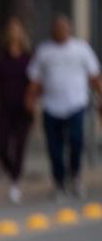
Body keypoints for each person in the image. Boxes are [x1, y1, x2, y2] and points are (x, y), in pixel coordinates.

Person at [25, 15, 102, 199]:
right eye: (57, 28)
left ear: (70, 30)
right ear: (52, 31)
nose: (61, 31)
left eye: (64, 28)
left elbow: (94, 76)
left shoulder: (81, 49)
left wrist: (100, 95)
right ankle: (59, 181)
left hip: (76, 103)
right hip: (51, 106)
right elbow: (35, 79)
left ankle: (74, 176)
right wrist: (30, 98)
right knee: (54, 147)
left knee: (76, 141)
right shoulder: (44, 51)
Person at [0, 17, 33, 204]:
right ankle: (14, 173)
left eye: (17, 30)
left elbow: (36, 82)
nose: (14, 34)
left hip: (24, 109)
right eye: (11, 30)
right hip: (4, 107)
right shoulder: (0, 58)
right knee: (2, 147)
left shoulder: (29, 58)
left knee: (19, 145)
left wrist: (33, 100)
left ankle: (15, 182)